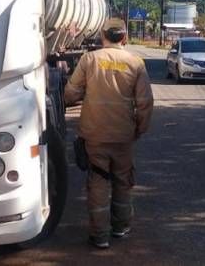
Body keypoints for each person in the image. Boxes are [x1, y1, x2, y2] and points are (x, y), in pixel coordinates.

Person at [64, 18, 154, 249]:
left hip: (94, 134)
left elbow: (71, 93)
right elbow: (145, 102)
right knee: (123, 181)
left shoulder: (89, 59)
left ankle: (100, 235)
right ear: (124, 38)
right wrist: (140, 128)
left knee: (98, 182)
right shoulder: (136, 63)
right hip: (123, 135)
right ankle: (121, 227)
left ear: (103, 36)